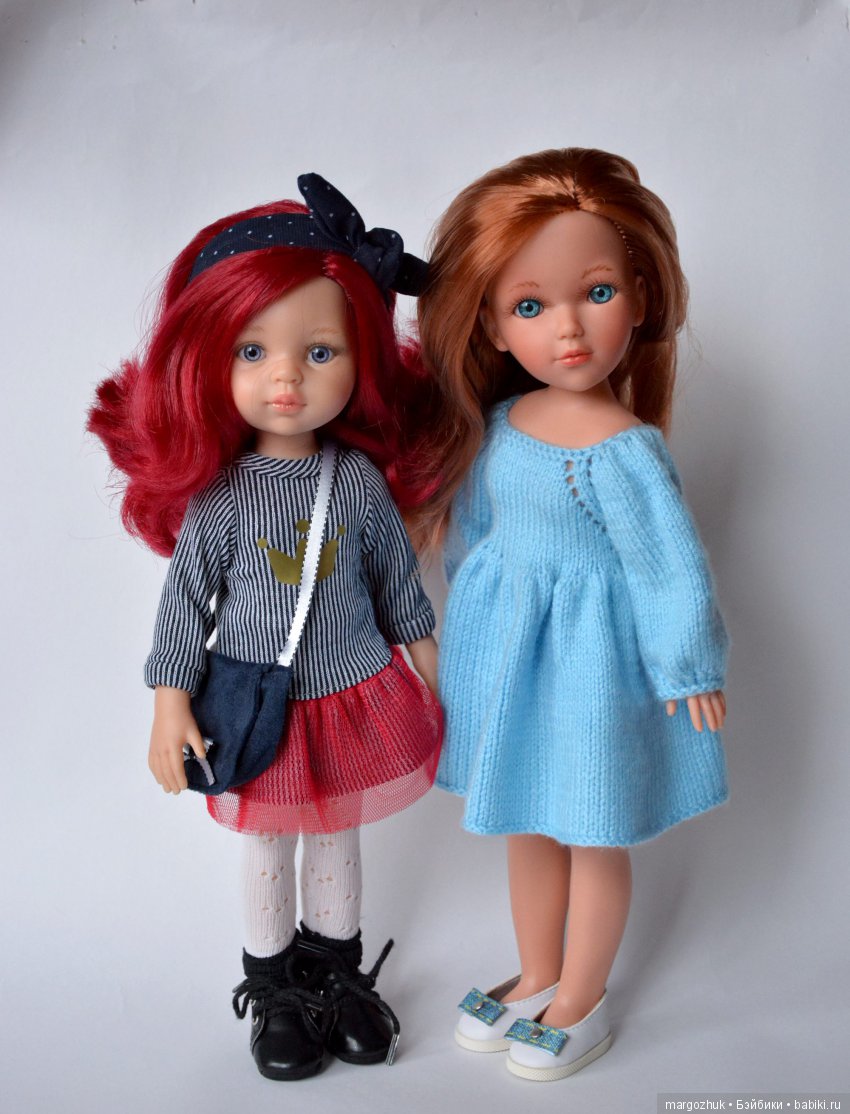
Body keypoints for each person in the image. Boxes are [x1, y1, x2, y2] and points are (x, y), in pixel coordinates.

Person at [88, 174, 442, 1081]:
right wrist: (170, 704)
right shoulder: (220, 499)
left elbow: (398, 587)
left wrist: (436, 674)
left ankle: (337, 976)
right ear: (208, 362)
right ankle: (276, 989)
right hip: (258, 704)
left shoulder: (356, 484)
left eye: (320, 351)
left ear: (363, 362)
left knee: (337, 838)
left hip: (354, 691)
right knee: (266, 843)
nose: (287, 377)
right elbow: (183, 608)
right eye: (253, 350)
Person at [411, 148, 728, 1082]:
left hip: (592, 667)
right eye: (530, 306)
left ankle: (581, 998)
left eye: (596, 293)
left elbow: (670, 568)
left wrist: (688, 665)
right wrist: (463, 638)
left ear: (640, 295)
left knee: (592, 824)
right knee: (527, 820)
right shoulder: (501, 428)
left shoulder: (622, 450)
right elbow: (476, 541)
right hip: (514, 659)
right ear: (491, 323)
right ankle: (536, 975)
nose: (569, 328)